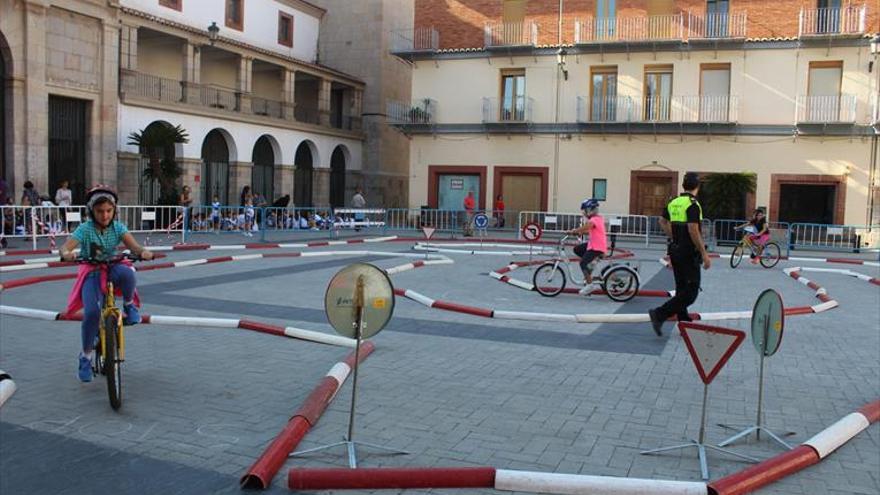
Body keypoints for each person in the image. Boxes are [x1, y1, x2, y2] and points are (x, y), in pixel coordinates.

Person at [59, 185, 155, 383]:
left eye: (109, 211)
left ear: (114, 211)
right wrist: (66, 254)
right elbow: (66, 247)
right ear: (92, 212)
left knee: (128, 273)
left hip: (112, 266)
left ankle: (129, 306)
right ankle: (85, 357)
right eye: (100, 211)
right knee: (92, 313)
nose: (105, 216)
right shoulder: (85, 229)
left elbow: (134, 246)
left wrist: (143, 252)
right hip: (92, 271)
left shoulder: (118, 228)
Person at [649, 172, 711, 337]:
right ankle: (660, 313)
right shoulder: (693, 204)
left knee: (682, 287)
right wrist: (704, 253)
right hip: (688, 252)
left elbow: (662, 221)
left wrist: (673, 236)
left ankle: (683, 320)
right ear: (698, 186)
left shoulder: (674, 202)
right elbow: (693, 229)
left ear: (684, 185)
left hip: (675, 250)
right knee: (691, 292)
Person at [566, 198, 607, 297]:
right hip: (593, 245)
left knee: (583, 263)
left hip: (597, 247)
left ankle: (590, 285)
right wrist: (578, 233)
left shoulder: (595, 219)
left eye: (584, 210)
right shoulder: (597, 219)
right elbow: (589, 229)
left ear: (590, 210)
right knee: (577, 249)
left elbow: (588, 227)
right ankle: (590, 267)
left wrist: (575, 231)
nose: (583, 213)